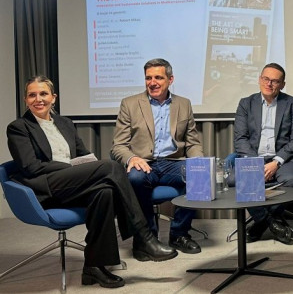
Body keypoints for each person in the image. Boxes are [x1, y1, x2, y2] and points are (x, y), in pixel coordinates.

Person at [7, 76, 178, 289]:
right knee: (111, 167)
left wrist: (86, 166)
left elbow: (83, 154)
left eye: (43, 94)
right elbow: (31, 167)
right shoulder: (18, 127)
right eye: (32, 95)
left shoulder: (65, 123)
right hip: (46, 186)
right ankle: (144, 237)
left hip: (71, 185)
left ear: (53, 98)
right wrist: (71, 168)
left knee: (104, 192)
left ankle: (93, 267)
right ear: (25, 100)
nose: (38, 99)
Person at [111, 58, 204, 255]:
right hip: (144, 162)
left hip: (173, 162)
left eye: (158, 78)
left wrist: (198, 162)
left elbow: (192, 142)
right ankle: (147, 239)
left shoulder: (184, 104)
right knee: (135, 178)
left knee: (199, 174)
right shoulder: (129, 104)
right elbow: (118, 145)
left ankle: (179, 234)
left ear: (170, 79)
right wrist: (132, 159)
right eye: (148, 78)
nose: (152, 82)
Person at [231, 63, 293, 245]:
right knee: (234, 180)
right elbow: (240, 139)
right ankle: (270, 222)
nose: (269, 84)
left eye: (275, 81)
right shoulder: (246, 103)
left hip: (282, 159)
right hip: (253, 157)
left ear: (282, 84)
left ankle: (259, 225)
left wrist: (276, 162)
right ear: (259, 79)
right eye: (266, 79)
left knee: (292, 180)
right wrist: (256, 165)